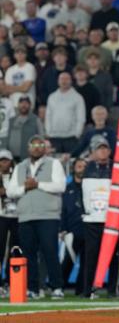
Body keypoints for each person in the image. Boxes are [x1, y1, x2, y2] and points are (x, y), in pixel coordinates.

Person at [6, 135, 66, 299]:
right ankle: (32, 288)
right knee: (29, 254)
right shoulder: (20, 167)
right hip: (25, 216)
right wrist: (25, 187)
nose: (37, 147)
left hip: (48, 215)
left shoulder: (54, 163)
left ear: (45, 148)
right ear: (28, 148)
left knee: (50, 251)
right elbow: (11, 191)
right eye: (34, 145)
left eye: (40, 144)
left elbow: (60, 186)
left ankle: (56, 287)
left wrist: (38, 184)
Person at [81, 139, 118, 298]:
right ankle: (88, 289)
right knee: (91, 256)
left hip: (111, 220)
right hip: (92, 219)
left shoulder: (115, 168)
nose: (103, 152)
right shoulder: (88, 168)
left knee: (114, 256)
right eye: (99, 149)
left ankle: (112, 289)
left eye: (105, 149)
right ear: (94, 152)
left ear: (109, 152)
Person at [60, 158, 86, 296]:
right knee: (68, 260)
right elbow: (63, 210)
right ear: (74, 168)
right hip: (72, 229)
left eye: (84, 166)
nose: (81, 168)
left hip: (88, 228)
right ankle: (59, 286)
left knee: (86, 261)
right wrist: (63, 228)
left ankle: (82, 289)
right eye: (79, 166)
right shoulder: (67, 188)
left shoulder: (90, 187)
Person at [45, 72, 86, 153]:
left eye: (67, 79)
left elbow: (81, 117)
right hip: (54, 136)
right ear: (58, 81)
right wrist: (48, 132)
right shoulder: (52, 97)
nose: (64, 81)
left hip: (71, 137)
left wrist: (77, 134)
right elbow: (48, 116)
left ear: (71, 81)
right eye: (62, 79)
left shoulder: (77, 97)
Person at [7, 96, 44, 161]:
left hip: (28, 157)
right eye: (21, 103)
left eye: (26, 103)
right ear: (18, 105)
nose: (24, 105)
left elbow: (41, 137)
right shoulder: (11, 120)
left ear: (30, 105)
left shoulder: (36, 120)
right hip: (11, 157)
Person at [0, 150, 16, 293]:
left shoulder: (16, 176)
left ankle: (11, 282)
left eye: (6, 160)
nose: (3, 163)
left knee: (14, 250)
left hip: (16, 216)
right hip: (1, 216)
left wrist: (8, 191)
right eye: (1, 160)